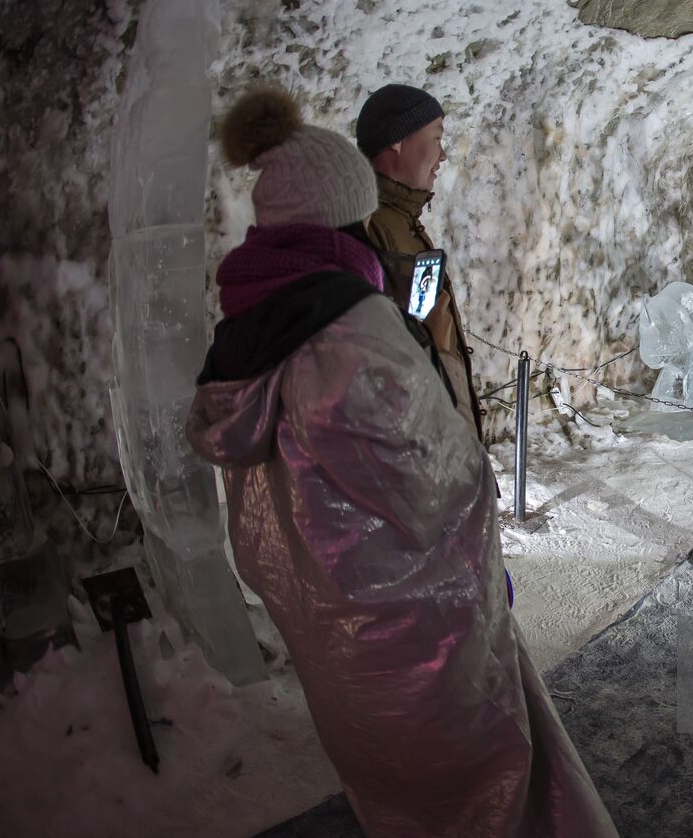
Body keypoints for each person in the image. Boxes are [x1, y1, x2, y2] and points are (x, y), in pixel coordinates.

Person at [185, 84, 617, 838]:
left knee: (393, 785)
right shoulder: (350, 330)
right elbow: (437, 481)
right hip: (409, 621)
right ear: (345, 210)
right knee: (474, 781)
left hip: (338, 624)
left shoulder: (253, 324)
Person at [354, 83, 484, 439]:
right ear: (397, 141)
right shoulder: (369, 228)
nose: (442, 156)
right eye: (436, 138)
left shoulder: (399, 221)